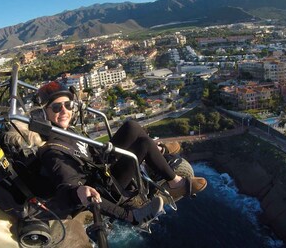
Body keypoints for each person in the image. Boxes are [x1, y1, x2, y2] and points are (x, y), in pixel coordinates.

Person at [36, 81, 207, 225]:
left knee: (131, 127)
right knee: (144, 145)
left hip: (99, 164)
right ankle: (175, 183)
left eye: (68, 105)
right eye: (57, 107)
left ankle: (158, 152)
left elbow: (87, 152)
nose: (64, 111)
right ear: (45, 114)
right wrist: (129, 216)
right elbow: (69, 188)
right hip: (106, 187)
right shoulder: (53, 151)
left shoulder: (67, 131)